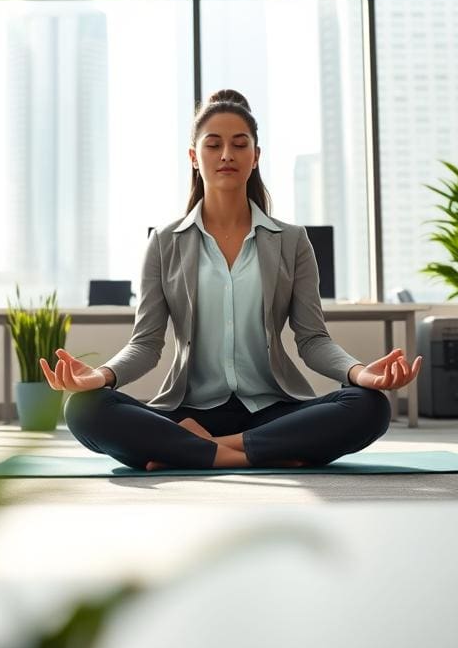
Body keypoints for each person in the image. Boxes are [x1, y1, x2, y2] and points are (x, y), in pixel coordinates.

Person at [41, 89, 422, 471]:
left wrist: (360, 372)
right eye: (213, 145)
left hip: (273, 410)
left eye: (240, 145)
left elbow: (312, 340)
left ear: (255, 157)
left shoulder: (291, 241)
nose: (227, 155)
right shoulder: (163, 242)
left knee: (369, 406)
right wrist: (102, 376)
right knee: (84, 408)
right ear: (194, 157)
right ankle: (263, 453)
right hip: (189, 409)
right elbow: (146, 344)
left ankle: (195, 450)